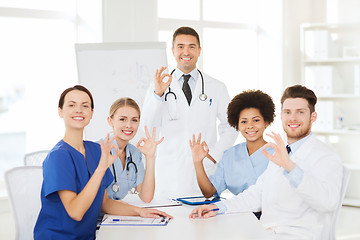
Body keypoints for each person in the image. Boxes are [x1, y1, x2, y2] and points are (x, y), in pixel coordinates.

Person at [190, 85, 343, 239]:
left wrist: (290, 167)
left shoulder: (326, 156)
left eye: (300, 112)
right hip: (265, 232)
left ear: (313, 117)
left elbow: (328, 202)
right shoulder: (281, 153)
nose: (293, 118)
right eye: (288, 112)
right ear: (281, 116)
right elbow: (257, 195)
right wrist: (217, 207)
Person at [34, 85, 171, 240]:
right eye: (72, 105)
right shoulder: (57, 157)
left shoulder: (96, 150)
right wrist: (101, 168)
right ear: (60, 111)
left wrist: (140, 212)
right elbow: (76, 212)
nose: (79, 110)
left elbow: (105, 203)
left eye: (85, 106)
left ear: (91, 113)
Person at [141, 26, 238, 198]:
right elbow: (147, 127)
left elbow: (231, 126)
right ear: (172, 51)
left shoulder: (216, 87)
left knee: (203, 222)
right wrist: (158, 95)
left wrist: (213, 156)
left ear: (199, 51)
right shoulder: (157, 86)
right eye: (180, 46)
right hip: (168, 177)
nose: (186, 51)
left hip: (202, 173)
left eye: (191, 46)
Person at [189, 90, 275, 202]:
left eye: (256, 120)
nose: (250, 126)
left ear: (266, 122)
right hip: (238, 213)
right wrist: (197, 162)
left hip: (270, 215)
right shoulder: (230, 155)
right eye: (244, 122)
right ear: (237, 125)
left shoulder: (278, 154)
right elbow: (209, 192)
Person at [106, 97, 163, 202]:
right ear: (110, 121)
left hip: (119, 214)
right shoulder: (98, 150)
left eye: (134, 120)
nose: (129, 125)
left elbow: (146, 197)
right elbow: (100, 202)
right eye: (122, 119)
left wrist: (150, 157)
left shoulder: (134, 153)